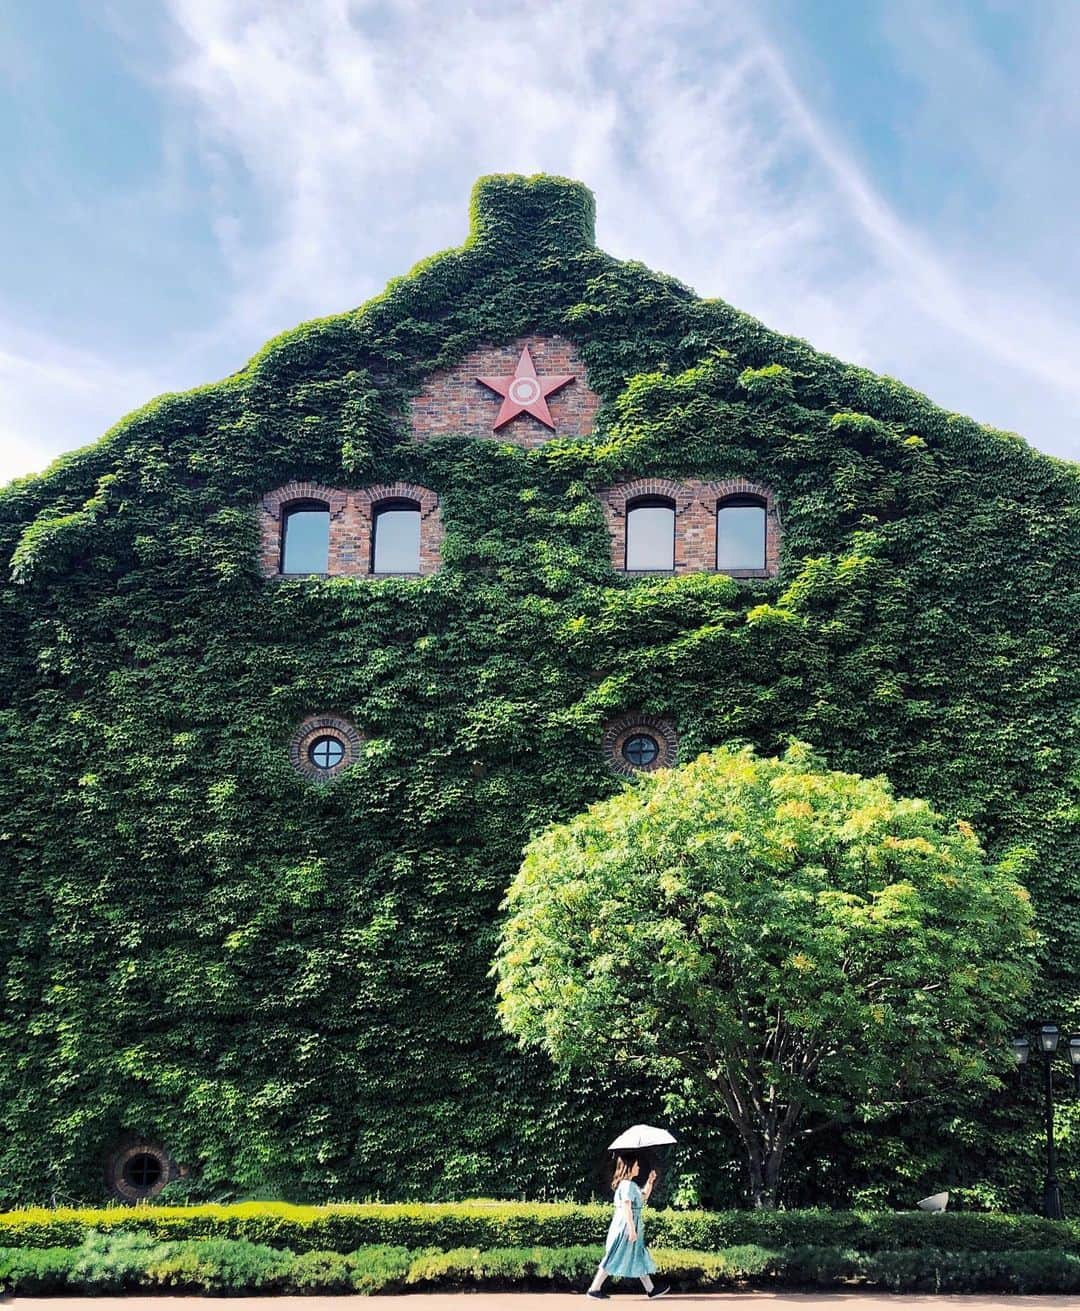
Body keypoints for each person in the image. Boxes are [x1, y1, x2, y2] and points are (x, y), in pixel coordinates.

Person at [586, 1152, 669, 1299]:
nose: (638, 1167)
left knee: (637, 1255)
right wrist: (631, 1229)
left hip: (628, 1224)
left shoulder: (630, 1185)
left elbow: (643, 1197)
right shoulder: (627, 1185)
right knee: (614, 1255)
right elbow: (626, 1206)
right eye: (636, 1165)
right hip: (625, 1226)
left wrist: (650, 1181)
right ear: (629, 1167)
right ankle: (594, 1288)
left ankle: (651, 1289)